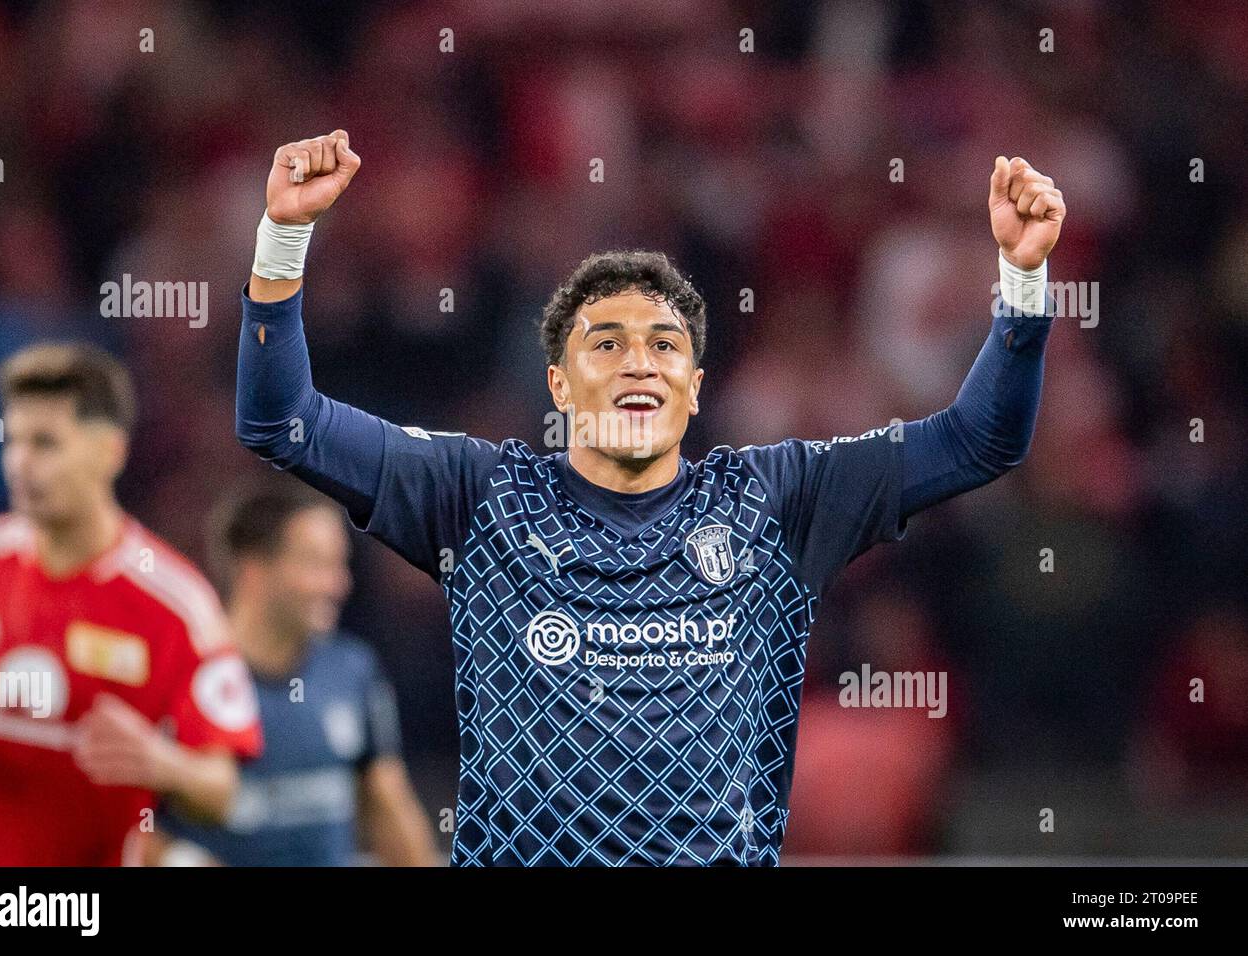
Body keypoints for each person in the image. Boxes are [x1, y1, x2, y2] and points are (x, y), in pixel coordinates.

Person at [235, 130, 1065, 865]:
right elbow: (282, 421)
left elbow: (977, 439)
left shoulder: (776, 501)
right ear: (558, 384)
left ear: (695, 387)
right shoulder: (479, 496)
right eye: (608, 343)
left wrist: (1022, 283)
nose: (640, 362)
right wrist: (284, 237)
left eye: (664, 344)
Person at [0, 343, 262, 866]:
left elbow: (222, 792)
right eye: (14, 441)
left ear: (110, 452)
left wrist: (163, 763)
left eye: (46, 443)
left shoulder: (176, 607)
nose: (22, 464)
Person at [151, 481, 440, 866]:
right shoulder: (176, 671)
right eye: (316, 564)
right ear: (252, 567)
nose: (339, 585)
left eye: (340, 565)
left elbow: (388, 804)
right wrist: (181, 859)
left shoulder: (352, 671)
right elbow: (125, 818)